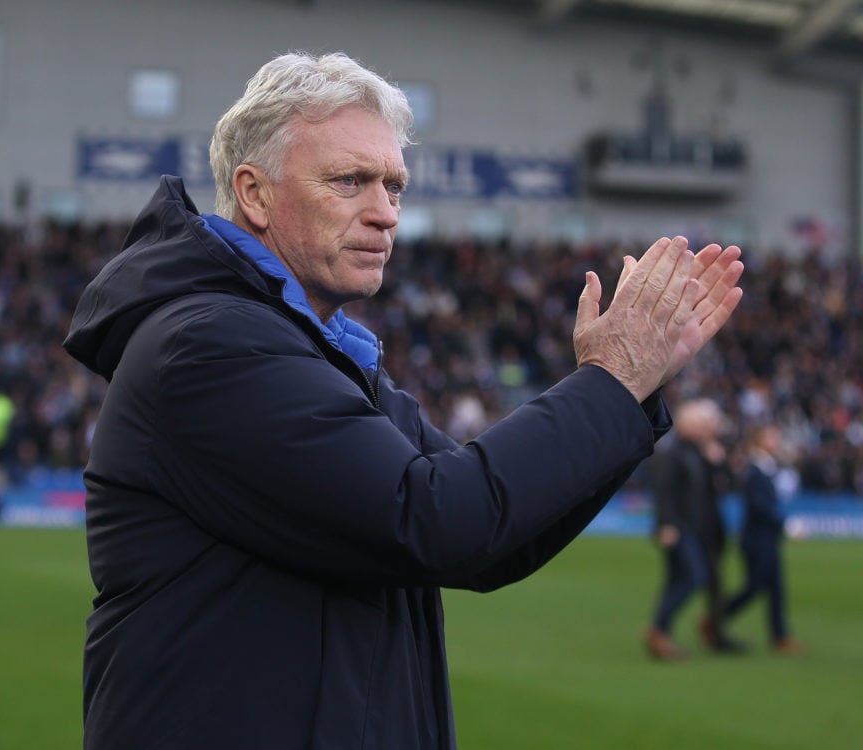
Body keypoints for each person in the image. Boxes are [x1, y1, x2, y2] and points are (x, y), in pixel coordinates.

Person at [63, 52, 744, 749]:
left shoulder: (320, 353)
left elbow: (489, 545)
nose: (385, 214)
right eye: (350, 181)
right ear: (255, 193)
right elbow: (440, 518)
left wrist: (630, 390)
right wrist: (610, 381)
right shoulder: (212, 345)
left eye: (395, 187)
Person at [644, 398, 744, 660]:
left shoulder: (701, 452)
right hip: (679, 527)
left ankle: (664, 632)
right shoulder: (672, 452)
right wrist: (666, 524)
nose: (710, 428)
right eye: (705, 423)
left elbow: (726, 486)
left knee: (683, 578)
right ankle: (657, 631)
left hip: (701, 529)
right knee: (692, 577)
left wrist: (718, 462)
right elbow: (664, 492)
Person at [724, 423, 803, 654]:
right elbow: (760, 507)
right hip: (757, 539)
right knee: (755, 586)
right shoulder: (754, 470)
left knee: (776, 589)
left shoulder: (766, 468)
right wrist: (785, 525)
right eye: (772, 437)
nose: (776, 441)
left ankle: (780, 636)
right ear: (760, 441)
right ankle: (717, 617)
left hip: (766, 537)